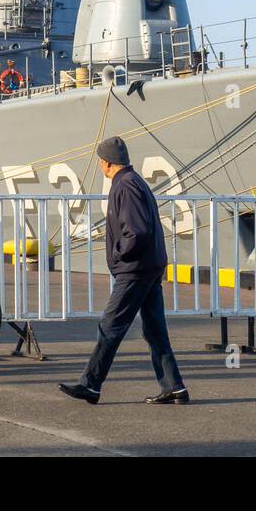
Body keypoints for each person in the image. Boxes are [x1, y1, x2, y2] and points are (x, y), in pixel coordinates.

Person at [59, 137, 188, 405]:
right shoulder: (136, 181)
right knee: (154, 330)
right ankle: (174, 386)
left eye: (99, 162)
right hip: (149, 266)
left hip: (135, 269)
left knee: (110, 326)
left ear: (105, 162)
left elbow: (136, 231)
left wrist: (119, 254)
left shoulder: (125, 186)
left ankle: (90, 385)